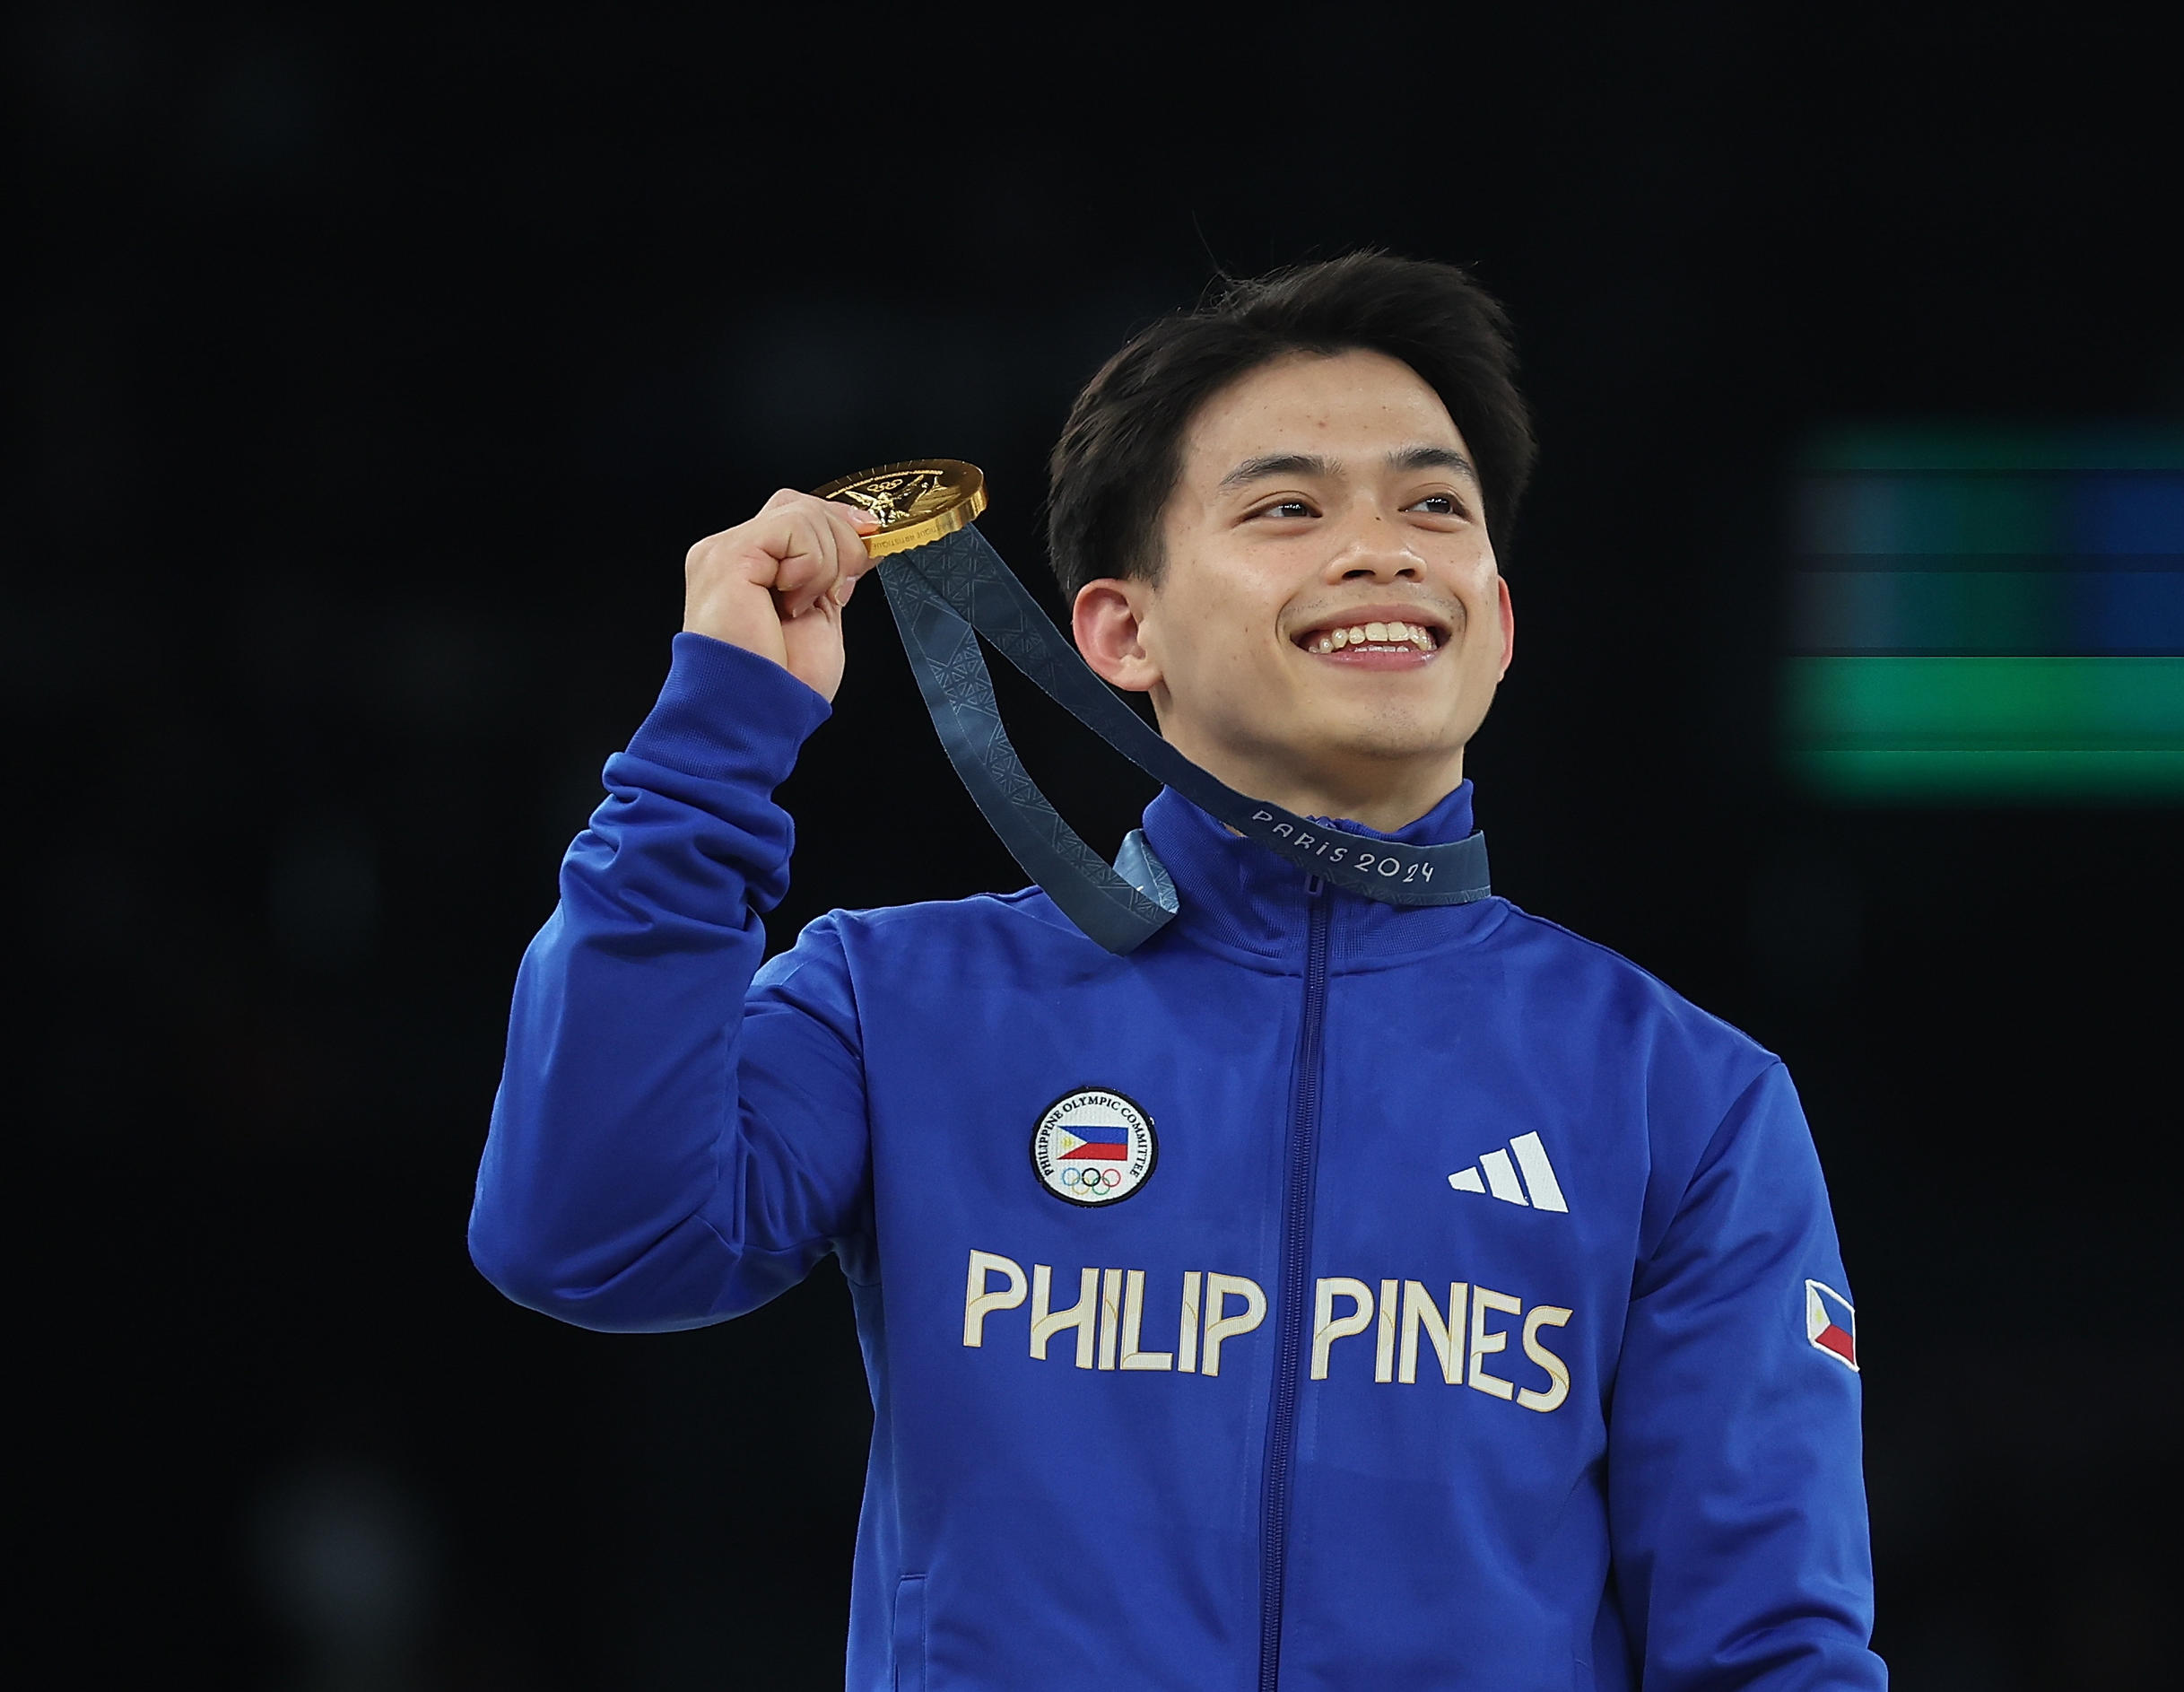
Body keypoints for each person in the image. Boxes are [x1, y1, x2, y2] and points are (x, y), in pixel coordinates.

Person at [471, 252, 1885, 1690]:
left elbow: (1772, 1651)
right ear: (1117, 631)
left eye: (1434, 505)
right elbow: (591, 1232)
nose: (1383, 547)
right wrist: (714, 740)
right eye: (1288, 506)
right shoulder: (898, 1004)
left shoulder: (1685, 1099)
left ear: (1499, 623)